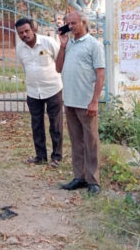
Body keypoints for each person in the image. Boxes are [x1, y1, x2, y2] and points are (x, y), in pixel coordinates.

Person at [55, 11, 105, 193]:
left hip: (86, 102)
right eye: (69, 23)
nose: (71, 26)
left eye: (74, 23)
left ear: (84, 23)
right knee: (76, 141)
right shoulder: (69, 44)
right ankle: (79, 177)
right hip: (70, 100)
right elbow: (58, 68)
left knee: (91, 141)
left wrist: (94, 101)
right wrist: (62, 47)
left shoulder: (93, 45)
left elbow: (100, 75)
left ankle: (93, 181)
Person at [14, 18, 63, 167]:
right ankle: (40, 156)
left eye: (27, 31)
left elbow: (59, 60)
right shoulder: (20, 48)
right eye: (21, 33)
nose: (24, 35)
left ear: (33, 29)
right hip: (33, 91)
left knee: (55, 124)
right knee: (36, 125)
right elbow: (24, 66)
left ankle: (56, 157)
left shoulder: (48, 42)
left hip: (52, 89)